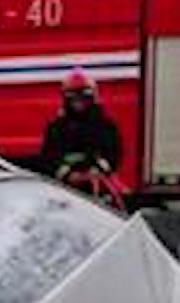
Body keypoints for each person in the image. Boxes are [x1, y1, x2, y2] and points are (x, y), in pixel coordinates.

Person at [39, 69, 123, 204]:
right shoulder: (57, 127)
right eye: (74, 99)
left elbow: (114, 154)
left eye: (82, 98)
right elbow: (48, 157)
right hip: (65, 189)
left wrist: (97, 170)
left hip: (97, 187)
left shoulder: (104, 125)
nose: (78, 103)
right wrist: (67, 174)